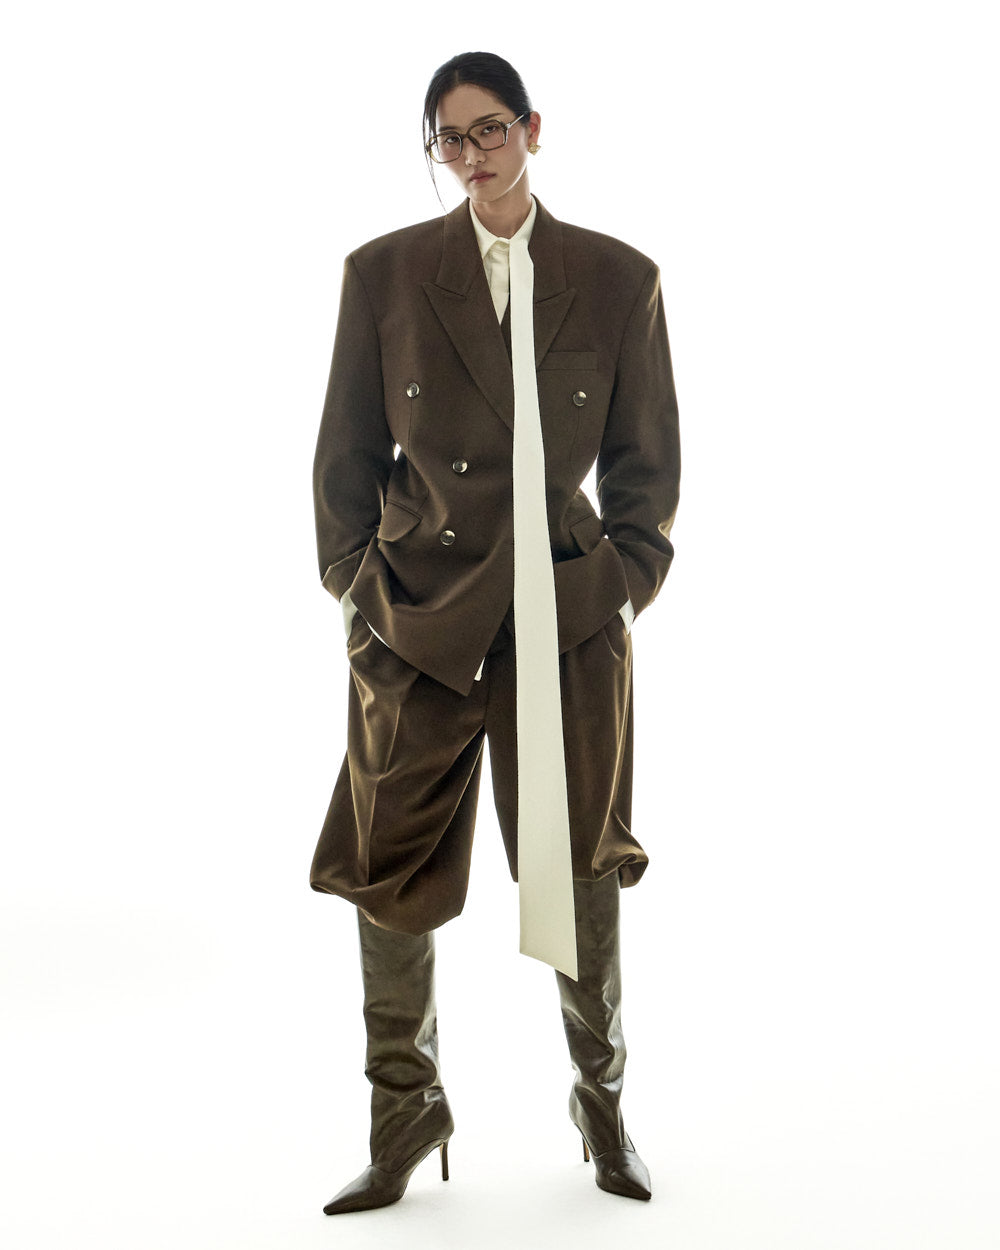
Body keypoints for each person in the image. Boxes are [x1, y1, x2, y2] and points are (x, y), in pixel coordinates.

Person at [309, 50, 681, 1214]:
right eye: (449, 138)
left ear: (531, 128)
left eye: (489, 130)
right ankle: (403, 1115)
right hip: (417, 620)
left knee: (579, 865)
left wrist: (616, 583)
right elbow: (344, 460)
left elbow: (646, 474)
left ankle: (602, 1105)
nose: (471, 155)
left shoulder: (617, 278)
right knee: (389, 869)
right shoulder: (383, 274)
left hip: (563, 620)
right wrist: (361, 593)